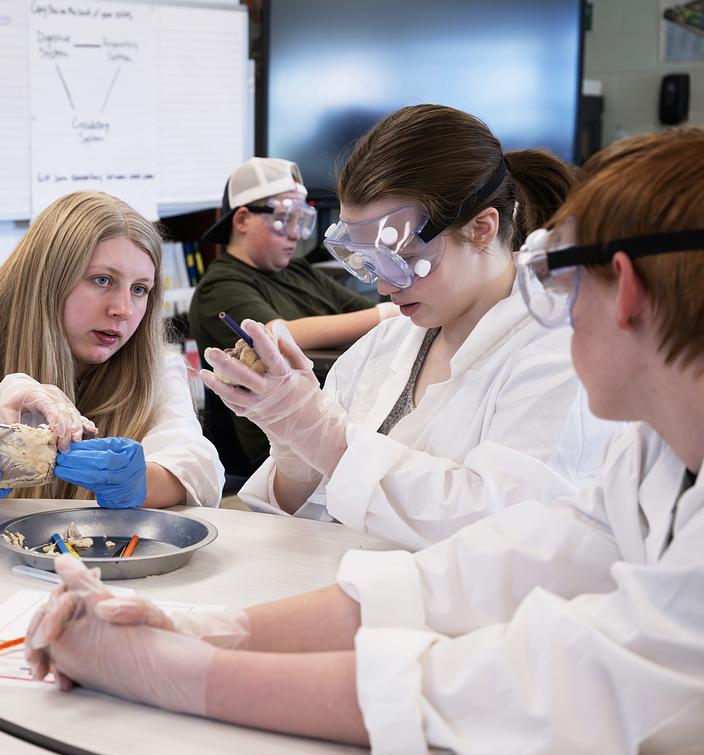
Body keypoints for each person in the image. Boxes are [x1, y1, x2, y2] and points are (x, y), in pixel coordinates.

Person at [24, 127, 704, 755]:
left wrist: (168, 671)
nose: (562, 315)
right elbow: (489, 571)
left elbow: (539, 689)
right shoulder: (651, 459)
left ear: (628, 291)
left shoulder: (555, 370)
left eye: (564, 288)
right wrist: (199, 625)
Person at [207, 105, 615, 549]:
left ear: (481, 229)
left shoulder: (562, 349)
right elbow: (295, 518)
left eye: (400, 259)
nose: (383, 285)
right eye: (369, 261)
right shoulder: (387, 343)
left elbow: (507, 532)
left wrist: (329, 442)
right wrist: (292, 440)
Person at [0, 191, 224, 511]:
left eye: (139, 289)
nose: (123, 309)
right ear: (49, 278)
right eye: (102, 280)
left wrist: (142, 481)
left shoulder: (157, 369)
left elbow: (199, 468)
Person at [188, 157, 395, 474]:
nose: (296, 234)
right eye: (285, 218)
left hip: (334, 417)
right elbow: (276, 336)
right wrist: (389, 312)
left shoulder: (299, 270)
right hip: (276, 448)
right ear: (242, 219)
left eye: (303, 220)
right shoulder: (221, 286)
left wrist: (388, 314)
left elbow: (363, 314)